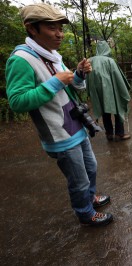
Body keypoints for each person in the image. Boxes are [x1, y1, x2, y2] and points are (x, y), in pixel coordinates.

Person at [6, 3, 113, 227]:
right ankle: (85, 212)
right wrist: (55, 82)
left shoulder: (53, 55)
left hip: (76, 125)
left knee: (91, 168)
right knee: (79, 179)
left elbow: (70, 86)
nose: (59, 34)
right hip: (59, 135)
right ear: (31, 29)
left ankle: (89, 197)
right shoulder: (21, 60)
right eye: (52, 28)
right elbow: (16, 102)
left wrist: (79, 75)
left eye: (60, 28)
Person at [86, 41, 131, 142]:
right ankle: (120, 134)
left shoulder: (90, 61)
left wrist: (89, 91)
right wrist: (123, 89)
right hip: (111, 90)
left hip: (97, 92)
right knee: (118, 108)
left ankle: (109, 133)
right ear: (107, 49)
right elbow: (118, 77)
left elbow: (87, 77)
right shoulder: (110, 61)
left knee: (104, 110)